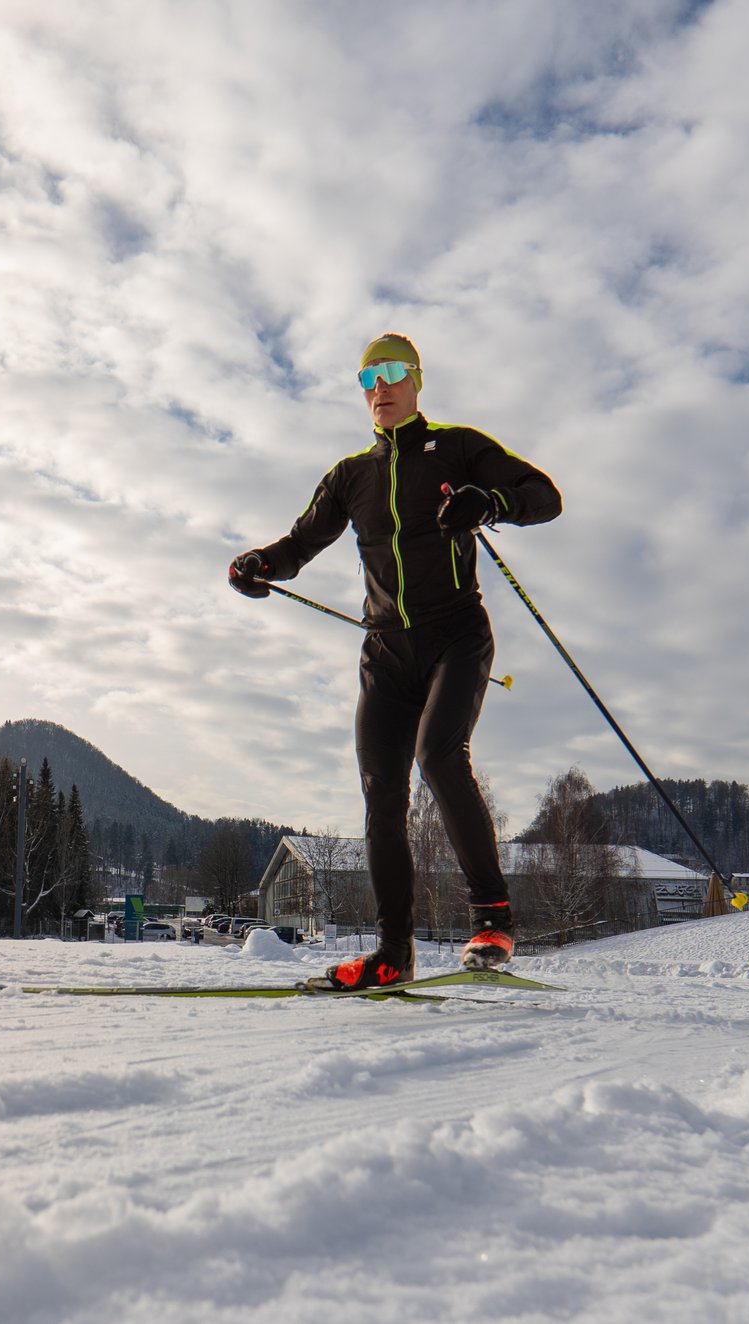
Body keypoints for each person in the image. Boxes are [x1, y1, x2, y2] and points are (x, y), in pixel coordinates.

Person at [228, 333, 561, 990]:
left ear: (417, 380)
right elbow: (300, 543)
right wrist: (260, 565)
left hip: (457, 636)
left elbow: (543, 495)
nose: (379, 387)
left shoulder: (459, 448)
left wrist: (490, 503)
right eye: (367, 378)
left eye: (391, 373)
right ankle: (391, 953)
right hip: (385, 652)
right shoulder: (352, 476)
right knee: (382, 794)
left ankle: (491, 920)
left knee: (440, 756)